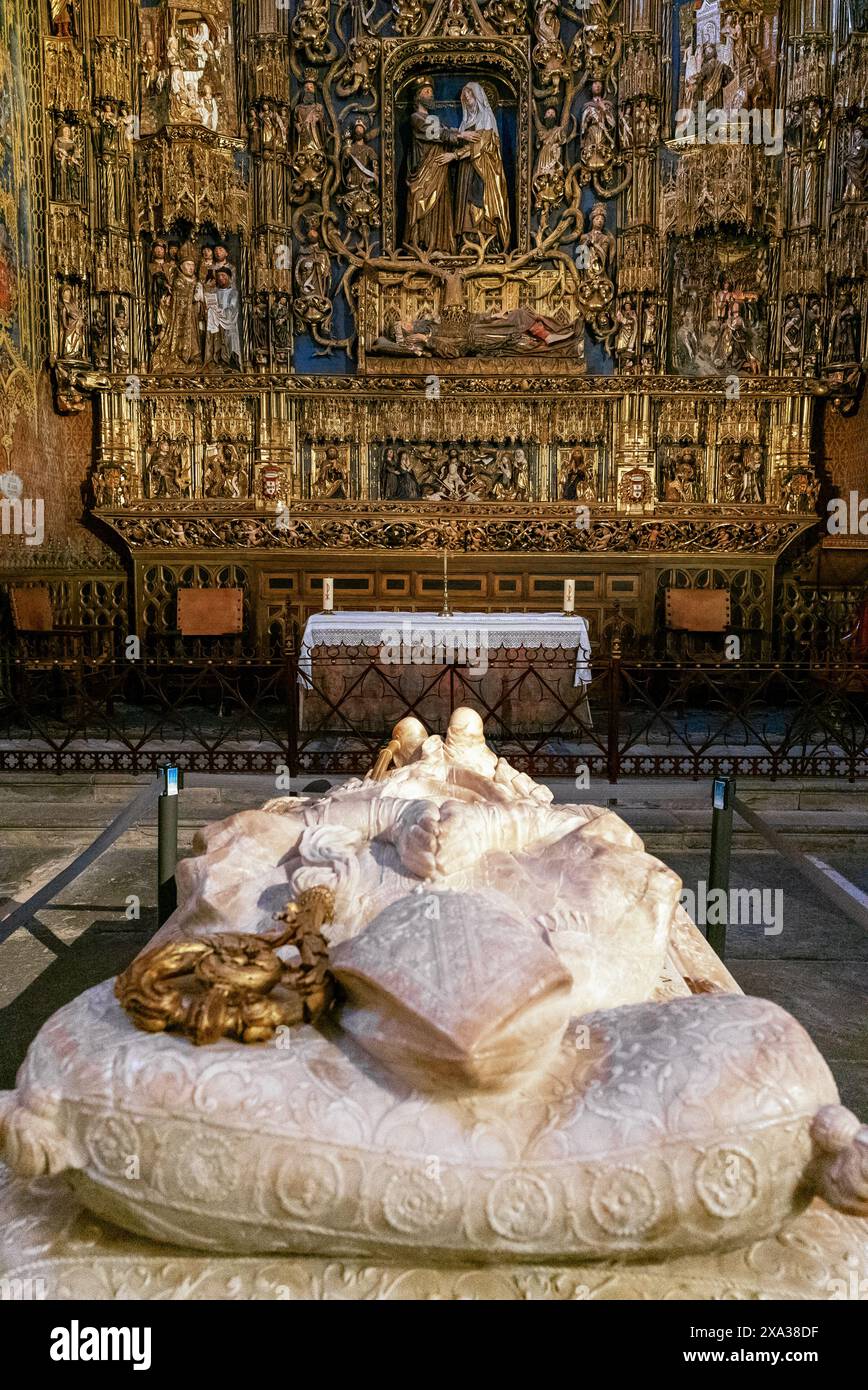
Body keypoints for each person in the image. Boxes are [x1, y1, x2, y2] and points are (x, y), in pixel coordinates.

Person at [450, 82, 510, 251]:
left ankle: (486, 243)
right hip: (466, 169)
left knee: (480, 201)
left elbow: (481, 146)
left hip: (483, 168)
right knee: (465, 203)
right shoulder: (464, 122)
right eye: (465, 97)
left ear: (477, 97)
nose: (467, 100)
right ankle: (467, 242)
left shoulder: (486, 118)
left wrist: (455, 155)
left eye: (470, 96)